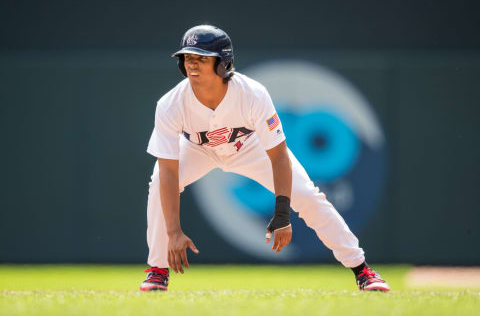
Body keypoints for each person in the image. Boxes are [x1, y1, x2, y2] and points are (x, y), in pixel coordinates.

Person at [140, 25, 390, 292]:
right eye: (188, 58)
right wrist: (173, 232)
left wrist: (282, 213)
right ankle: (158, 269)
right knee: (158, 183)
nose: (192, 64)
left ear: (222, 62)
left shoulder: (252, 93)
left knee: (307, 196)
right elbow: (168, 170)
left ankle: (362, 270)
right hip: (197, 149)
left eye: (202, 58)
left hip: (249, 146)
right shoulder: (170, 104)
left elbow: (279, 155)